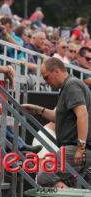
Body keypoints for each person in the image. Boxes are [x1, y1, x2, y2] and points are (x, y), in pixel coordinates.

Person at [22, 58, 91, 188]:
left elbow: (82, 115)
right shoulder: (69, 86)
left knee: (44, 175)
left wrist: (80, 148)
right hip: (75, 148)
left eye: (47, 77)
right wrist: (38, 109)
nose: (46, 82)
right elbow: (60, 117)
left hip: (76, 148)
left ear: (56, 71)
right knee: (54, 178)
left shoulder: (71, 85)